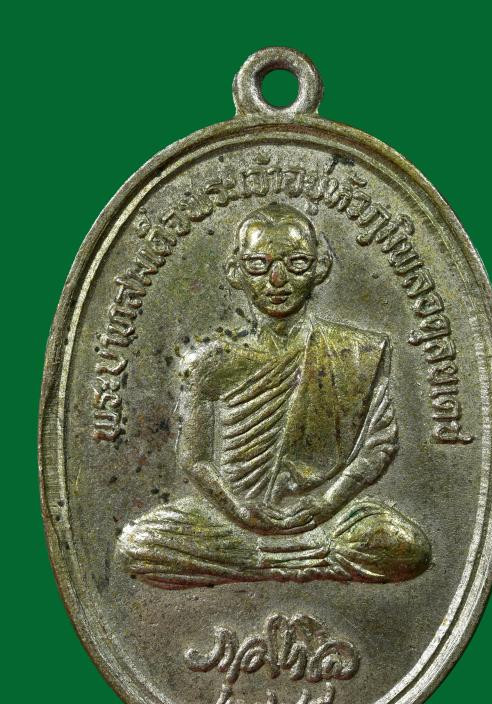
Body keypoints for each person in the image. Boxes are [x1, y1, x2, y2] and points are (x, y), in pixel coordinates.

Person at [117, 203, 430, 588]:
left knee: (408, 547)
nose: (277, 279)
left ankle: (269, 559)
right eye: (258, 265)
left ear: (319, 268)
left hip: (327, 516)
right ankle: (289, 560)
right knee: (136, 546)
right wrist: (239, 511)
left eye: (296, 264)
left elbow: (379, 445)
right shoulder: (211, 361)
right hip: (234, 520)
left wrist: (325, 504)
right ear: (235, 272)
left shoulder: (356, 352)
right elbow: (194, 459)